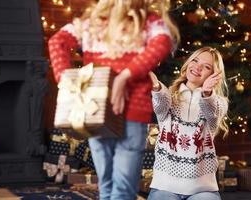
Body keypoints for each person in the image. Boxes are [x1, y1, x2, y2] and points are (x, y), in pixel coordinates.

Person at [48, 0, 180, 199]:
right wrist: (70, 85)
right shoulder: (92, 23)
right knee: (112, 187)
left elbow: (162, 44)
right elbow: (57, 43)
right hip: (98, 112)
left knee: (118, 189)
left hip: (128, 114)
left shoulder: (149, 21)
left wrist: (125, 76)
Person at [148, 46, 229, 200]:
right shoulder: (168, 97)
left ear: (214, 75)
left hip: (202, 189)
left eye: (206, 67)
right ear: (187, 65)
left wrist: (206, 93)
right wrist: (156, 87)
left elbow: (212, 111)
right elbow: (161, 103)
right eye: (195, 60)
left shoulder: (219, 103)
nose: (198, 67)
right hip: (164, 186)